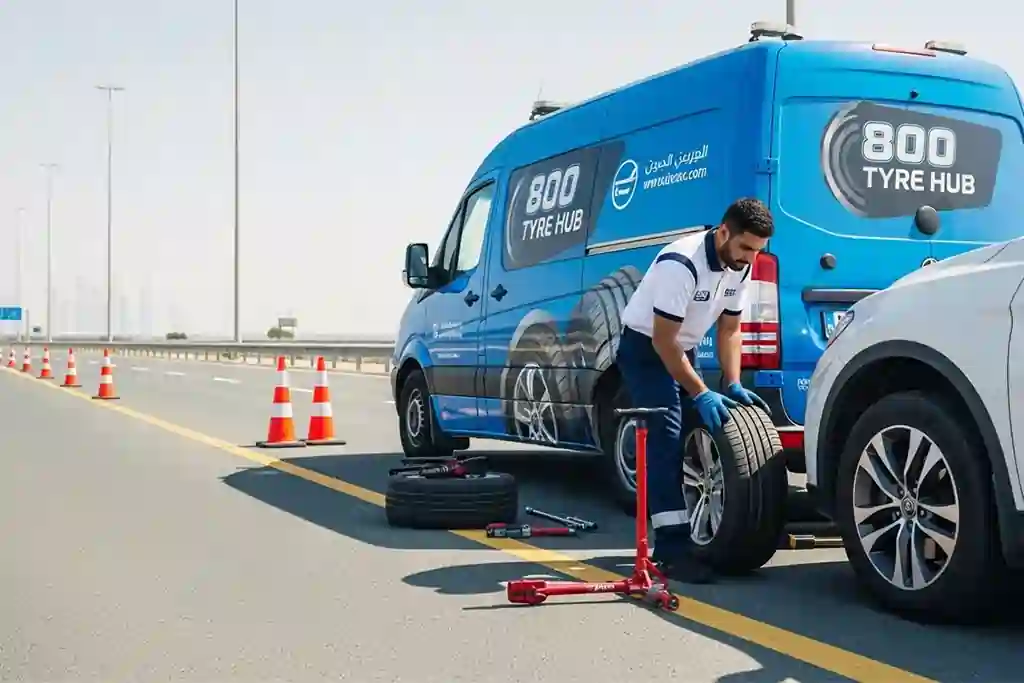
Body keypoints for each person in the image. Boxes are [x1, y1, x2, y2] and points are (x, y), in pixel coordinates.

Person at [616, 198, 774, 584]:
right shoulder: (681, 264)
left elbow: (730, 330)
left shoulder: (741, 266)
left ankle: (709, 530)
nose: (751, 258)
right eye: (746, 247)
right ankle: (671, 550)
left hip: (681, 348)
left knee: (698, 431)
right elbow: (663, 343)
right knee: (666, 438)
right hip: (645, 348)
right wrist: (701, 391)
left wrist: (732, 382)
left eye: (757, 250)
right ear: (724, 232)